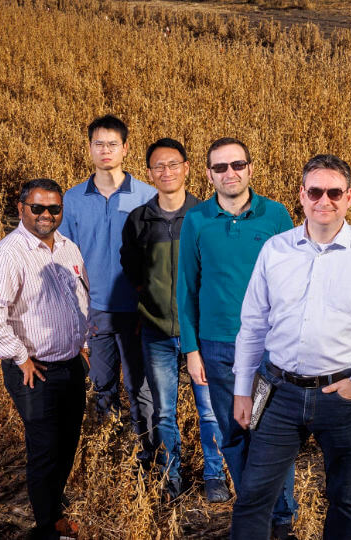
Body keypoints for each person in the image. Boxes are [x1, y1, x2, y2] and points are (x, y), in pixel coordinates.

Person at [230, 155, 351, 540]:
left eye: (333, 192)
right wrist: (243, 389)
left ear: (349, 198)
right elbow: (253, 325)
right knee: (254, 496)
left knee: (346, 497)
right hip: (277, 393)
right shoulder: (276, 250)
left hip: (343, 396)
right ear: (301, 195)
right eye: (314, 191)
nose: (323, 200)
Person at [177, 137, 298, 536]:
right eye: (220, 167)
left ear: (250, 168)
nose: (230, 173)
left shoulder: (276, 215)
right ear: (208, 173)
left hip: (269, 349)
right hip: (217, 347)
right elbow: (187, 289)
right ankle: (254, 515)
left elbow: (295, 282)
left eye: (237, 165)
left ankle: (280, 520)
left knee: (273, 436)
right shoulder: (196, 220)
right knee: (233, 432)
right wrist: (192, 350)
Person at [0, 178, 89, 540]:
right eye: (37, 208)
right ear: (21, 208)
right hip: (35, 371)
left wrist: (82, 342)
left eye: (54, 208)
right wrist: (19, 357)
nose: (46, 215)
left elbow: (81, 297)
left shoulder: (68, 248)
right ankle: (47, 527)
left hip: (69, 365)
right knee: (45, 448)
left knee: (67, 443)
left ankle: (54, 512)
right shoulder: (8, 254)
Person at [120, 138, 230, 502]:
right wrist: (151, 303)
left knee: (210, 411)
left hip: (203, 333)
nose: (166, 172)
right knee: (164, 412)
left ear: (186, 168)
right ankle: (172, 476)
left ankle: (215, 476)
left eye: (173, 164)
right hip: (156, 332)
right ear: (149, 173)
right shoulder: (138, 220)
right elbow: (132, 270)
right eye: (158, 167)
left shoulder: (208, 216)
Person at [60, 115, 157, 458]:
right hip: (94, 309)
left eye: (112, 144)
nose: (105, 150)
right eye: (98, 144)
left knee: (141, 387)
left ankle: (148, 452)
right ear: (89, 148)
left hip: (137, 310)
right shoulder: (71, 199)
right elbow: (65, 257)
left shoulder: (147, 196)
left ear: (125, 149)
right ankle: (110, 453)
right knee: (103, 386)